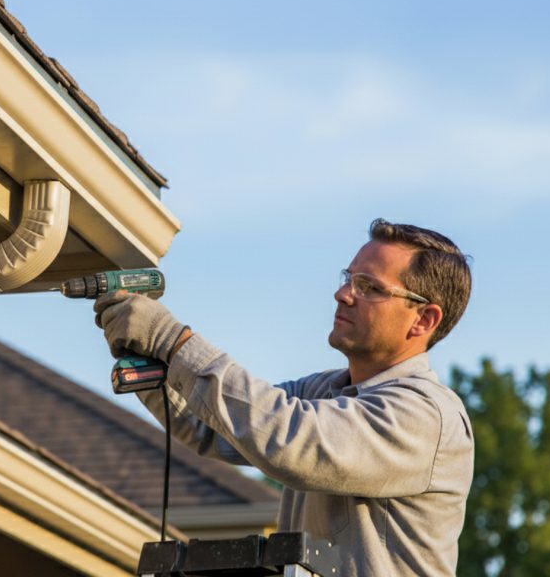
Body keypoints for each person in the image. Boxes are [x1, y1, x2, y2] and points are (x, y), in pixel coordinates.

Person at [94, 219, 474, 576]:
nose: (343, 294)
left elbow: (289, 439)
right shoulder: (323, 393)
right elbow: (215, 426)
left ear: (424, 320)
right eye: (348, 279)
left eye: (369, 287)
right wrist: (152, 369)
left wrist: (170, 340)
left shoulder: (426, 415)